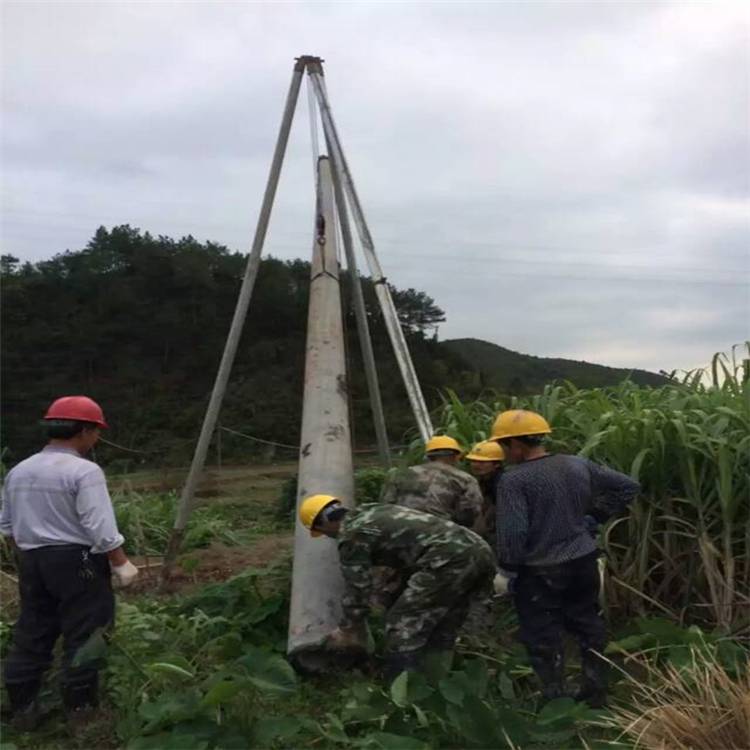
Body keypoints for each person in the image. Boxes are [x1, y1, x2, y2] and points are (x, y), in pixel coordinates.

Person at [0, 396, 139, 729]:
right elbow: (99, 524)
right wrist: (120, 562)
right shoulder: (84, 471)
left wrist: (30, 555)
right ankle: (81, 710)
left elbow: (7, 527)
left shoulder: (20, 470)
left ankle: (22, 707)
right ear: (86, 430)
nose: (97, 439)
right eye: (96, 432)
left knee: (33, 629)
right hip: (77, 560)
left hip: (32, 559)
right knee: (86, 631)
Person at [488, 409, 639, 707]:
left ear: (516, 444)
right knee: (587, 625)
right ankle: (596, 694)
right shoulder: (576, 463)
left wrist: (506, 570)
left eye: (504, 446)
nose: (503, 453)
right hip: (583, 560)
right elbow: (628, 486)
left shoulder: (513, 480)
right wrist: (593, 518)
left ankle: (555, 701)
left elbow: (514, 532)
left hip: (540, 570)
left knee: (542, 634)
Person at [298, 494, 496, 679]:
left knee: (402, 623)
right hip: (479, 550)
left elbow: (358, 587)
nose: (327, 536)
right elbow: (409, 543)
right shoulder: (372, 511)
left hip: (448, 560)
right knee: (445, 621)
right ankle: (438, 683)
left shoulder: (352, 535)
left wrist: (349, 628)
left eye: (322, 533)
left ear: (323, 523)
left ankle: (404, 690)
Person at [380, 436, 484, 531]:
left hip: (400, 530)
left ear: (428, 456)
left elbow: (386, 504)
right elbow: (469, 514)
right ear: (456, 457)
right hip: (439, 533)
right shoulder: (466, 479)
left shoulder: (399, 474)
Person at [465, 440, 505, 547]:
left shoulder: (502, 484)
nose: (476, 465)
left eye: (482, 462)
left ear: (496, 464)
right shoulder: (481, 481)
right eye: (473, 461)